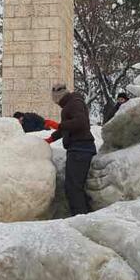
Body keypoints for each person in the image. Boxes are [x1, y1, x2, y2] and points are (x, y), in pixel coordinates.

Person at [45, 82, 96, 215]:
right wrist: (51, 138)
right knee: (75, 186)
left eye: (55, 101)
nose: (56, 104)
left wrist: (58, 125)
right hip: (78, 148)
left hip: (81, 149)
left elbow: (81, 122)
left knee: (73, 187)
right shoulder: (70, 104)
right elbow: (67, 129)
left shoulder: (74, 103)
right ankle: (87, 215)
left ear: (58, 97)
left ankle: (80, 217)